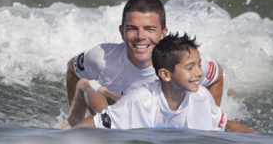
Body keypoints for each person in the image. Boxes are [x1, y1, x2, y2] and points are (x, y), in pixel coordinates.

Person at [64, 0, 224, 127]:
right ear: (122, 32)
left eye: (149, 29)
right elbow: (73, 69)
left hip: (136, 105)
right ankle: (85, 88)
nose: (140, 37)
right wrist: (75, 116)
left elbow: (217, 77)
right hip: (118, 110)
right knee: (106, 117)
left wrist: (208, 120)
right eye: (132, 29)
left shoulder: (188, 63)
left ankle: (109, 94)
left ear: (163, 33)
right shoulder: (102, 58)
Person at [70, 33, 256, 133]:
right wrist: (62, 142)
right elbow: (94, 122)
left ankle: (109, 94)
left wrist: (261, 141)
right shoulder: (140, 101)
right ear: (166, 75)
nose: (199, 73)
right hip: (128, 103)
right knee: (103, 112)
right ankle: (86, 87)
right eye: (190, 67)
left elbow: (224, 125)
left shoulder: (201, 96)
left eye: (199, 66)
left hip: (133, 101)